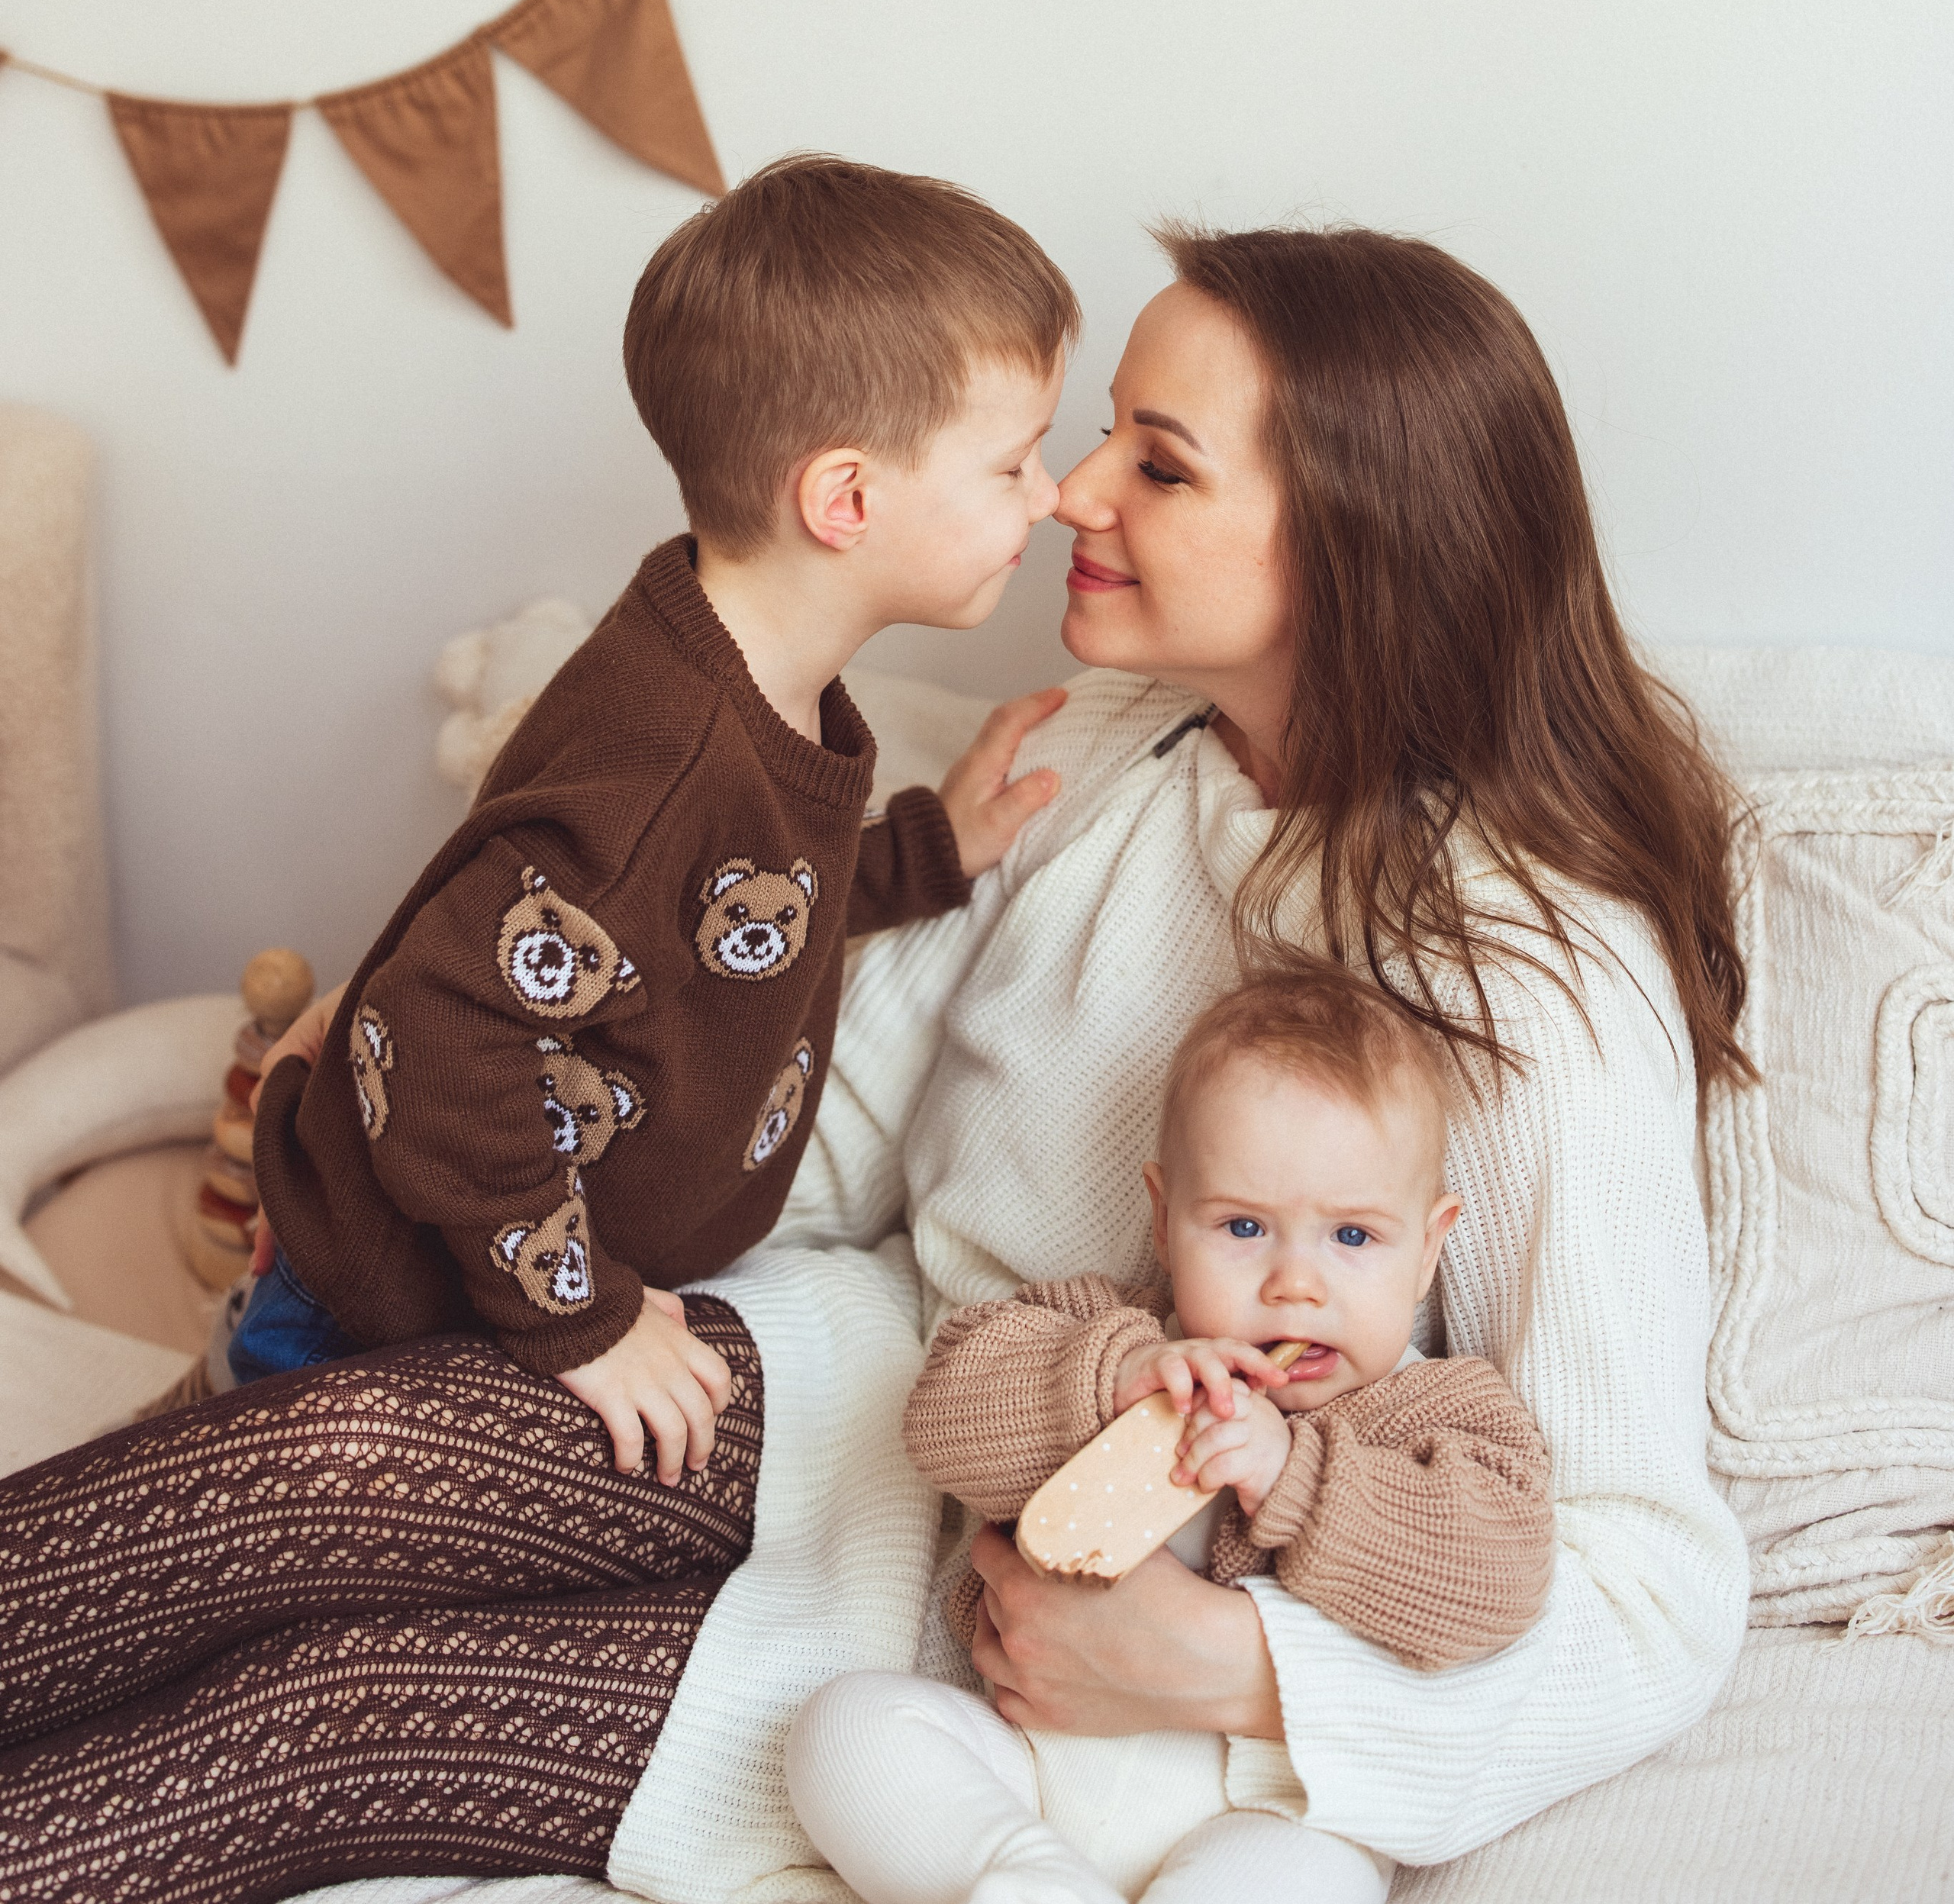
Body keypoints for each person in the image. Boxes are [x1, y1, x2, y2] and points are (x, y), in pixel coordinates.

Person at [0, 223, 1753, 1902]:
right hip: (873, 1386)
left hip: (1008, 1633)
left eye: (1156, 464)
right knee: (319, 1473)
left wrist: (1230, 1667)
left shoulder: (1533, 967)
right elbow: (812, 1136)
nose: (1073, 491)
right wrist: (437, 1111)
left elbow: (1649, 1586)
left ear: (1357, 542)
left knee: (323, 1718)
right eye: (1095, 438)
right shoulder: (1112, 749)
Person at [239, 153, 1078, 1486]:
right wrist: (581, 1317)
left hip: (502, 1274)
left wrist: (927, 851)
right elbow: (439, 1025)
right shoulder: (669, 753)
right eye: (1015, 462)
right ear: (847, 500)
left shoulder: (744, 674)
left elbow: (712, 908)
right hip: (386, 1301)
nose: (1053, 494)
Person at [788, 964, 1556, 1904]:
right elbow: (943, 1413)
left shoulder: (1432, 1412)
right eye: (1243, 1226)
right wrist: (1112, 1382)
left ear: (1429, 1247)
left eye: (1352, 1237)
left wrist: (1298, 1477)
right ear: (1163, 1218)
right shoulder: (1112, 1334)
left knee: (1309, 1877)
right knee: (846, 1731)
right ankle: (1020, 1877)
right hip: (1031, 1768)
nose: (1294, 1284)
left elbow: (1499, 1578)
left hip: (1264, 1812)